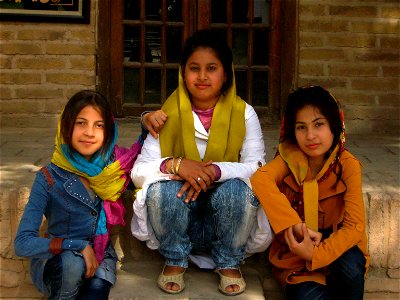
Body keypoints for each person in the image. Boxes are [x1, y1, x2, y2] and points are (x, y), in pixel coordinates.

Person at [130, 29, 272, 296]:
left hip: (226, 220)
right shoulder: (165, 115)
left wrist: (216, 171)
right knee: (162, 190)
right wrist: (176, 165)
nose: (203, 76)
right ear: (183, 72)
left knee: (239, 189)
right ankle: (174, 259)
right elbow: (138, 172)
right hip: (179, 220)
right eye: (194, 68)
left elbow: (258, 168)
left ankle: (229, 261)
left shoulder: (244, 113)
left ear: (226, 74)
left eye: (212, 68)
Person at [14, 90, 165, 299]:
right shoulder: (49, 177)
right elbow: (22, 243)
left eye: (99, 125)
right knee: (72, 262)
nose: (89, 133)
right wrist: (76, 246)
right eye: (81, 123)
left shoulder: (113, 171)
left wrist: (146, 118)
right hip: (60, 263)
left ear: (108, 132)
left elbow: (143, 156)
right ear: (66, 126)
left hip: (101, 259)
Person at [251, 86, 370, 299]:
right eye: (301, 127)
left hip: (337, 248)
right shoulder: (288, 160)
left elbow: (354, 227)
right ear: (292, 131)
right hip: (296, 256)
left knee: (352, 268)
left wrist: (316, 253)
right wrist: (294, 225)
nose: (310, 136)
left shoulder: (347, 165)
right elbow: (260, 178)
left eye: (319, 125)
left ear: (334, 125)